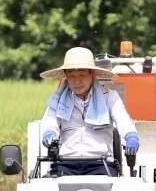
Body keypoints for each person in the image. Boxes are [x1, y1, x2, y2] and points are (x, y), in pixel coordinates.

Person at [39, 47, 140, 177]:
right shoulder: (58, 100)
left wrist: (131, 136)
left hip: (101, 164)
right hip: (66, 163)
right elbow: (50, 122)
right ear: (66, 77)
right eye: (71, 76)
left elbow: (123, 122)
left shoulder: (109, 97)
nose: (77, 81)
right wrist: (49, 132)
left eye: (81, 75)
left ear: (92, 74)